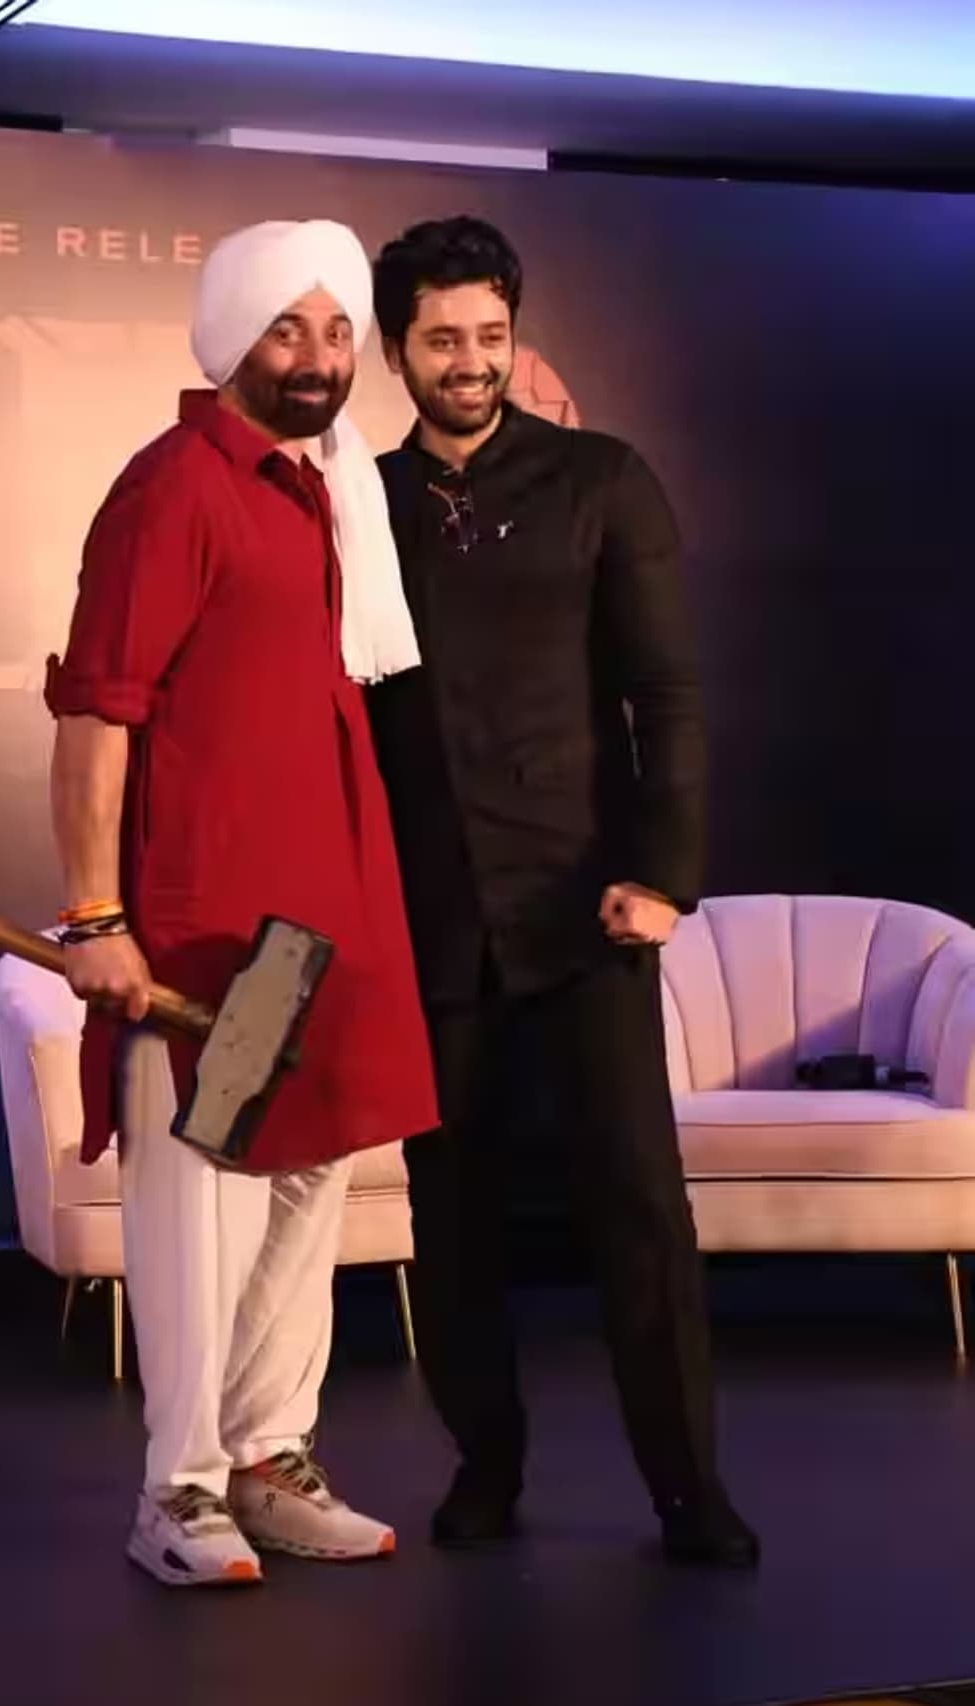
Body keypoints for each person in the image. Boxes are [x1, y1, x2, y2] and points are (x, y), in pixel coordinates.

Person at [44, 220, 436, 1588]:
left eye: (337, 331)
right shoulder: (174, 490)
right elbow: (96, 717)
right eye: (288, 329)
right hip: (220, 928)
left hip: (325, 914)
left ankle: (269, 1458)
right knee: (207, 1197)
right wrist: (96, 915)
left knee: (310, 1180)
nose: (319, 358)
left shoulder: (331, 490)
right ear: (230, 338)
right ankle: (182, 1489)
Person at [366, 215, 758, 1568]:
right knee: (451, 1216)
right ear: (398, 351)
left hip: (587, 909)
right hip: (429, 917)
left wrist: (663, 874)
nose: (470, 361)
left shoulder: (602, 479)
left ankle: (688, 1488)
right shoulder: (358, 502)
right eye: (442, 340)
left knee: (639, 1207)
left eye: (490, 335)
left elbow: (670, 694)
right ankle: (485, 1466)